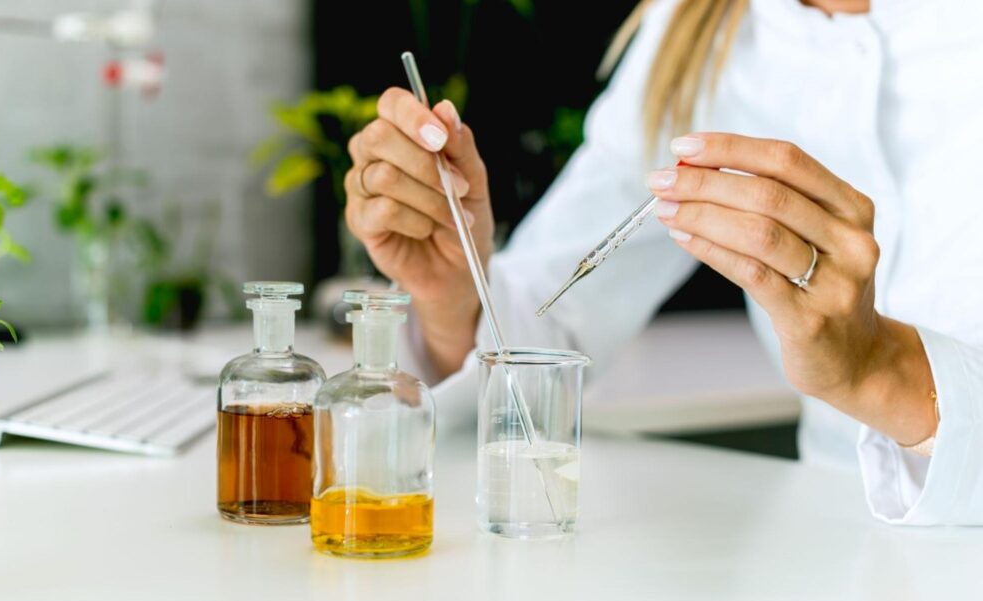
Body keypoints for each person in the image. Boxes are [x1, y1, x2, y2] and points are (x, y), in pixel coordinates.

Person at [341, 0, 983, 525]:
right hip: (831, 555)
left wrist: (882, 375)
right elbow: (550, 328)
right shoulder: (699, 28)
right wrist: (455, 290)